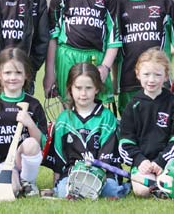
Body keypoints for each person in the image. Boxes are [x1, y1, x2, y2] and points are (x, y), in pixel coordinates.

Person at [0, 47, 47, 197]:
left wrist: (29, 123)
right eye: (7, 73)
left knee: (31, 144)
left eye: (18, 73)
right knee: (11, 187)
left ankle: (27, 182)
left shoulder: (33, 104)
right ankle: (14, 184)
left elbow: (40, 142)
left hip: (23, 163)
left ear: (26, 75)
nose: (13, 77)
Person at [52, 62, 130, 199]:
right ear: (70, 89)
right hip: (73, 172)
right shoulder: (63, 119)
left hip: (103, 171)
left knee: (109, 192)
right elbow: (59, 157)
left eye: (88, 88)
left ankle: (125, 187)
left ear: (97, 89)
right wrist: (57, 183)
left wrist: (95, 174)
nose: (83, 93)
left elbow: (108, 155)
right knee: (63, 192)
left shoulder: (106, 117)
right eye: (78, 88)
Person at [119, 48, 174, 197]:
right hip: (143, 165)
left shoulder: (173, 104)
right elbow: (125, 143)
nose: (151, 80)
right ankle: (158, 188)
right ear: (138, 74)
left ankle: (161, 186)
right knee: (142, 190)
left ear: (165, 77)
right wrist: (140, 161)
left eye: (157, 75)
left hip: (169, 163)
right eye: (146, 74)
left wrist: (161, 162)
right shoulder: (133, 106)